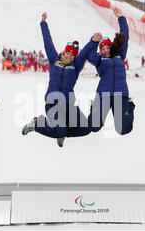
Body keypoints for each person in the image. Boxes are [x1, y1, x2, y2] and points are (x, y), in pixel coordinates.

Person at [21, 12, 99, 147]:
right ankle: (38, 124)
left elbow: (85, 52)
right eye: (67, 53)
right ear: (64, 52)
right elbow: (48, 42)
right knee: (60, 130)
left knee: (86, 129)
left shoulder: (76, 66)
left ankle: (60, 132)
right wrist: (43, 23)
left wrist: (93, 41)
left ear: (75, 57)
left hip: (69, 105)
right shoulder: (54, 59)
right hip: (53, 103)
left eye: (72, 55)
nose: (69, 56)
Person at [86, 8, 135, 136]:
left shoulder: (120, 55)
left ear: (112, 47)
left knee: (123, 129)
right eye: (103, 48)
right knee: (94, 127)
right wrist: (94, 42)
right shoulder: (98, 59)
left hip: (121, 94)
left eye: (108, 47)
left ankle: (129, 106)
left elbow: (125, 36)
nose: (105, 50)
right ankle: (94, 107)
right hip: (103, 94)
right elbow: (89, 55)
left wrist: (121, 18)